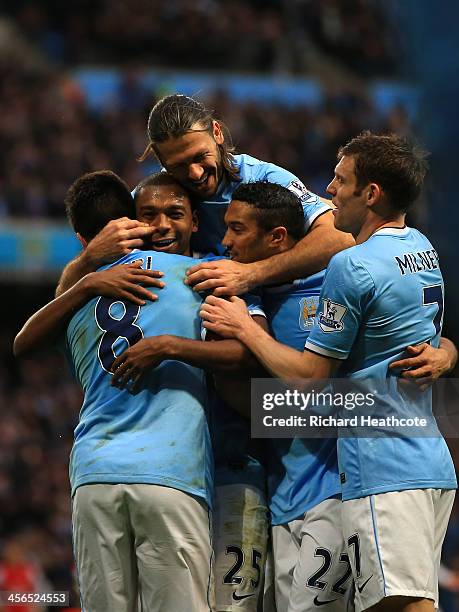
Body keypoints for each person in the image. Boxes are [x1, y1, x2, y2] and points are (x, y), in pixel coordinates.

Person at [117, 180, 457, 612]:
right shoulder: (241, 295)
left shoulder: (333, 285)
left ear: (276, 237)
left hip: (336, 490)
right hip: (277, 494)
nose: (225, 243)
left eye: (238, 230)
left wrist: (445, 353)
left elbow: (330, 388)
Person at [199, 132, 458, 612]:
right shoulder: (422, 247)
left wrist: (245, 329)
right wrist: (447, 354)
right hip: (426, 456)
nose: (329, 191)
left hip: (382, 464)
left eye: (341, 181)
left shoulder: (350, 266)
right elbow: (428, 336)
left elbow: (310, 380)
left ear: (371, 193)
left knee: (402, 605)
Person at [15, 170, 269, 612]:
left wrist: (85, 277)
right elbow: (249, 355)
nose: (163, 225)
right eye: (150, 215)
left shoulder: (77, 297)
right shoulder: (204, 276)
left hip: (94, 474)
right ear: (131, 222)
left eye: (173, 213)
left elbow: (25, 344)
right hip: (171, 475)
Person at [55, 94, 354, 297]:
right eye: (179, 166)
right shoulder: (153, 202)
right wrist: (88, 259)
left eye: (200, 157)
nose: (196, 174)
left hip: (296, 309)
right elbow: (66, 295)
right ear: (161, 161)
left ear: (217, 133)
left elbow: (340, 238)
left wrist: (249, 275)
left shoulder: (264, 178)